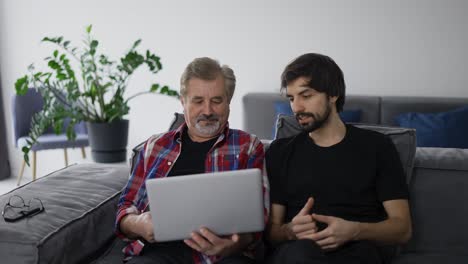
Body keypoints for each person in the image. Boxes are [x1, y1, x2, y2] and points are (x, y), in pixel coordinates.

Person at [115, 57, 268, 264]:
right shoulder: (154, 146)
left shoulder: (248, 147)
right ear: (183, 101)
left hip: (222, 257)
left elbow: (260, 218)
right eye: (198, 101)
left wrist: (235, 244)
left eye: (216, 101)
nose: (207, 111)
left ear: (228, 102)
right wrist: (137, 223)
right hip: (158, 254)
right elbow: (126, 206)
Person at [265, 53, 412, 264]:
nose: (297, 107)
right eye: (291, 98)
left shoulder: (377, 147)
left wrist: (355, 231)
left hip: (356, 251)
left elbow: (402, 229)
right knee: (302, 253)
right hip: (299, 252)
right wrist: (289, 231)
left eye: (306, 96)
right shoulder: (279, 152)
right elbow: (271, 232)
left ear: (333, 95)